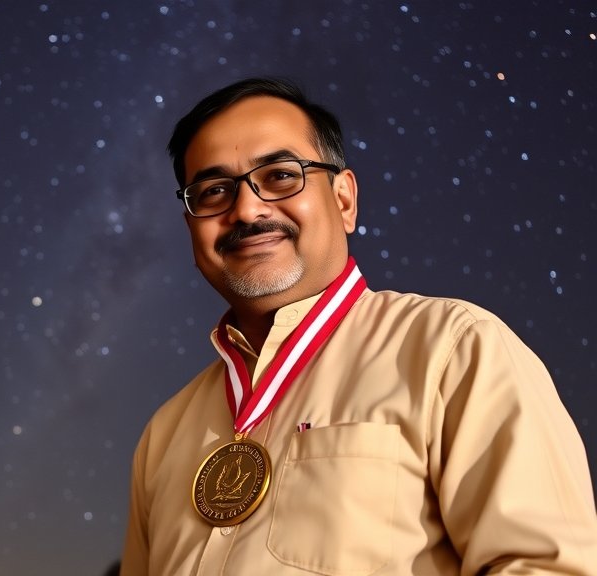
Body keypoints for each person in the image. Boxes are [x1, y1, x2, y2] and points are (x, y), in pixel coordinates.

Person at [119, 77, 597, 575]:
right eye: (214, 190)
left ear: (344, 200)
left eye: (281, 175)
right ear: (192, 227)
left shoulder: (454, 350)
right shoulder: (164, 434)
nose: (247, 209)